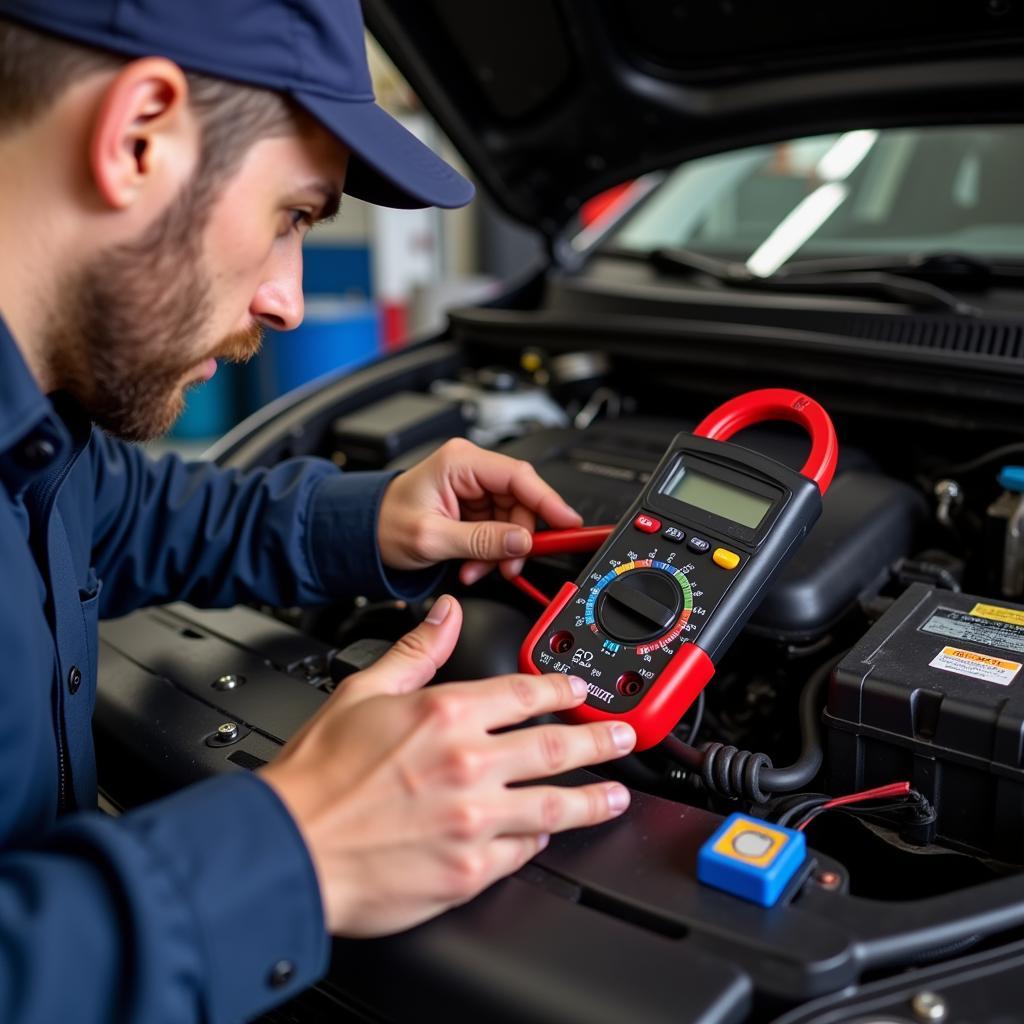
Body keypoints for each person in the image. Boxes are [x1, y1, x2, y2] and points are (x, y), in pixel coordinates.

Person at [0, 1, 637, 1021]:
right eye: (294, 214)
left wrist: (369, 520)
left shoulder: (42, 428)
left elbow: (120, 514)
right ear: (137, 137)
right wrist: (294, 849)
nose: (287, 299)